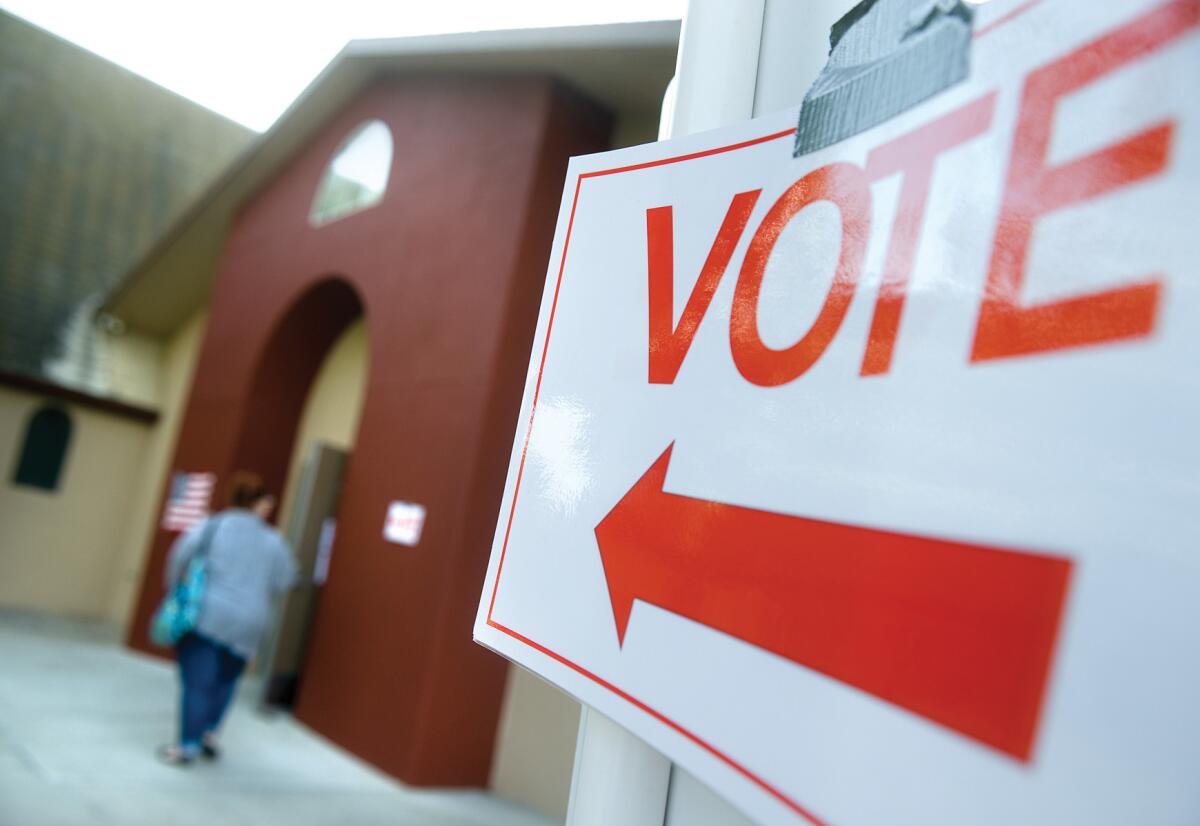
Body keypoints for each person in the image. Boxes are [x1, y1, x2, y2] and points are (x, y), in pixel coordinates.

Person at [156, 472, 297, 765]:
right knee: (225, 681)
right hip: (251, 623)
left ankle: (187, 747)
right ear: (260, 503)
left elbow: (178, 557)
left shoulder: (211, 526)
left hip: (207, 614)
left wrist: (174, 589)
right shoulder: (274, 541)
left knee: (198, 682)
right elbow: (287, 580)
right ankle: (208, 734)